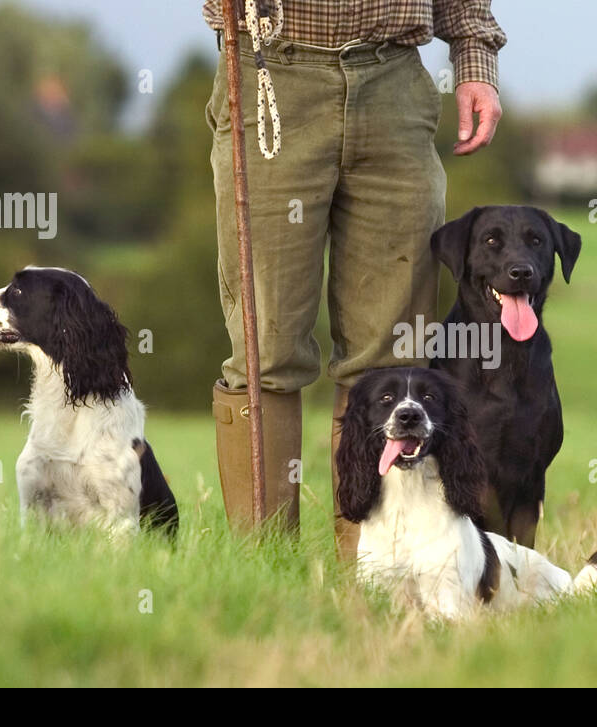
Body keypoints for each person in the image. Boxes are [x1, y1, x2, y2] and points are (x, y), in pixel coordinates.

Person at [204, 1, 505, 557]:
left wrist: (474, 59)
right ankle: (264, 572)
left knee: (392, 356)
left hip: (396, 83)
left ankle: (374, 574)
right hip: (272, 75)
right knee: (264, 350)